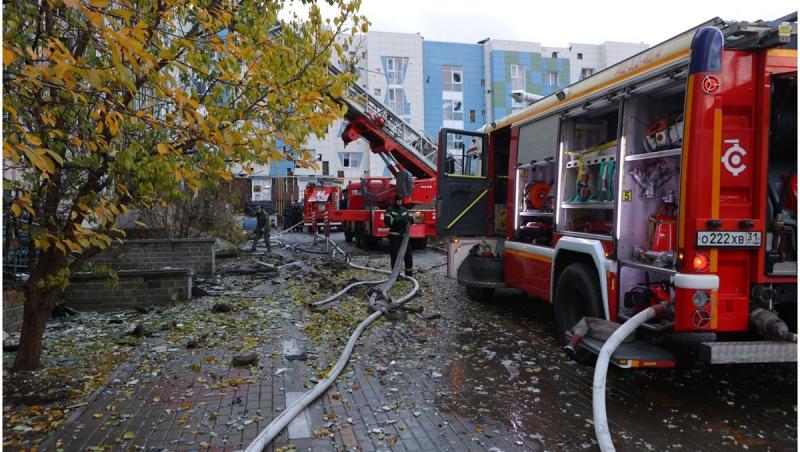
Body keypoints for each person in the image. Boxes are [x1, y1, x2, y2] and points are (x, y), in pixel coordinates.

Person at [384, 194, 413, 276]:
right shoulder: (390, 209)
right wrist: (400, 220)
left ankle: (409, 274)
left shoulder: (404, 210)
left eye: (400, 200)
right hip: (394, 237)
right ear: (395, 201)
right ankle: (396, 275)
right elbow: (387, 221)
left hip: (404, 237)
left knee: (408, 255)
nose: (399, 202)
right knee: (395, 257)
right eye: (398, 201)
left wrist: (411, 219)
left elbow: (409, 219)